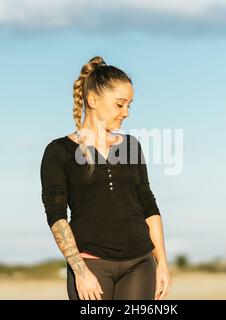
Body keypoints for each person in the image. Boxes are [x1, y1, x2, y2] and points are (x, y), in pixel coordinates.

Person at [40, 56, 171, 300]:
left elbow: (148, 204)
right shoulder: (58, 152)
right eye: (120, 104)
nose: (126, 112)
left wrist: (161, 262)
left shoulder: (131, 146)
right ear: (93, 100)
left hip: (140, 264)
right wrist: (80, 270)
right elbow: (56, 216)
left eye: (129, 105)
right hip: (92, 265)